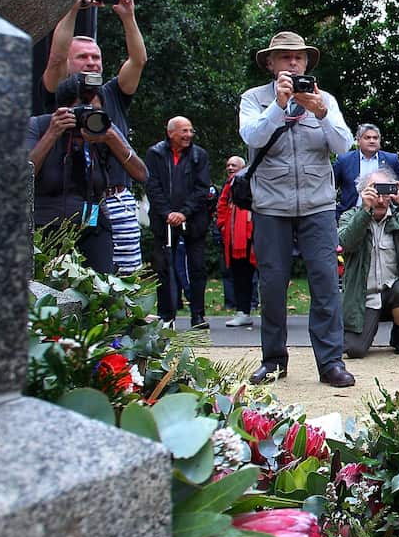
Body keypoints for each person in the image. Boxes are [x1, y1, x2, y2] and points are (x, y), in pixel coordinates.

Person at [239, 31, 356, 388]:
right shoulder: (253, 99)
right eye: (285, 57)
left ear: (306, 63)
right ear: (270, 63)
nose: (293, 62)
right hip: (270, 205)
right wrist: (278, 105)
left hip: (317, 205)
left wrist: (321, 112)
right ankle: (274, 360)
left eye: (299, 57)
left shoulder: (325, 99)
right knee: (273, 285)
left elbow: (344, 145)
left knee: (326, 283)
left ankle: (330, 362)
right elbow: (252, 137)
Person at [42, 0, 147, 273]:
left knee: (124, 281)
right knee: (62, 280)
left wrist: (128, 16)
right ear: (69, 62)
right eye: (83, 57)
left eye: (95, 57)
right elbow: (56, 58)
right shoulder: (60, 90)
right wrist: (74, 7)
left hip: (116, 198)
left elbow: (138, 60)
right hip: (66, 202)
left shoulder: (112, 92)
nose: (91, 62)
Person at [27, 73, 148, 272]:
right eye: (81, 111)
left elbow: (142, 174)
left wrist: (111, 138)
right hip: (45, 228)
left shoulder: (103, 129)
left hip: (93, 227)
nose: (87, 117)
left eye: (95, 110)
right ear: (63, 109)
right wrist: (52, 134)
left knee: (101, 285)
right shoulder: (40, 126)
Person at [337, 169, 399, 358]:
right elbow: (346, 243)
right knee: (355, 350)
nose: (380, 200)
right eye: (375, 193)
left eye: (385, 194)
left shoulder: (398, 217)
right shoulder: (350, 216)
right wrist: (365, 211)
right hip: (363, 297)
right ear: (363, 193)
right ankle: (368, 327)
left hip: (392, 291)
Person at [144, 117, 212, 328]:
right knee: (163, 267)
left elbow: (202, 188)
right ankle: (166, 316)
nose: (188, 135)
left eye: (191, 131)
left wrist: (183, 213)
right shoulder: (155, 153)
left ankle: (198, 315)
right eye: (184, 131)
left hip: (194, 220)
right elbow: (152, 185)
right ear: (171, 132)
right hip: (163, 221)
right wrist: (167, 213)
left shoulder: (199, 155)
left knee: (197, 267)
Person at [334, 123, 399, 217]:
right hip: (351, 215)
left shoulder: (391, 160)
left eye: (375, 138)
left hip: (384, 214)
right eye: (367, 138)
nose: (372, 141)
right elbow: (331, 186)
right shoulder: (344, 160)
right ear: (358, 141)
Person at [217, 155, 256, 327]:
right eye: (228, 165)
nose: (230, 168)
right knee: (240, 275)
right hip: (234, 238)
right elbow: (221, 205)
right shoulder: (228, 185)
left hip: (252, 234)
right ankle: (243, 312)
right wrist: (222, 226)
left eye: (234, 165)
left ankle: (274, 312)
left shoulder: (251, 180)